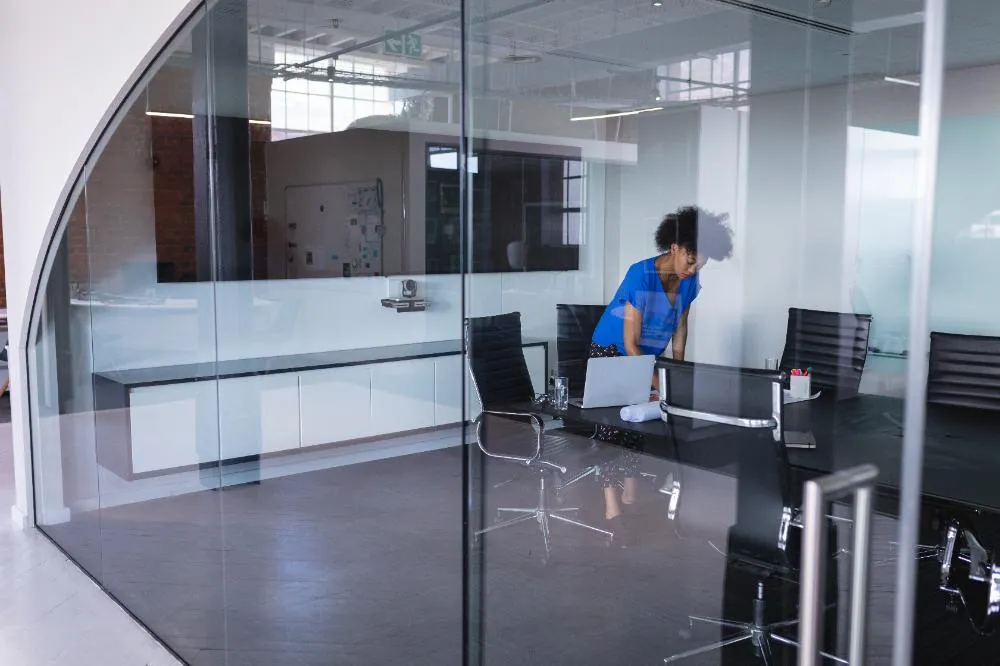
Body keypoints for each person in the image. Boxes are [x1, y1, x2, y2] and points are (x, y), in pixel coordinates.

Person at [590, 206, 734, 532]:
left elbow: (681, 323)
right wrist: (662, 384)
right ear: (674, 248)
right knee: (612, 428)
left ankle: (631, 495)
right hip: (612, 352)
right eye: (690, 261)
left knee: (637, 425)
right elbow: (630, 345)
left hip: (647, 354)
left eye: (700, 265)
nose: (693, 269)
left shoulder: (689, 280)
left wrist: (677, 370)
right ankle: (612, 508)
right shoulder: (640, 275)